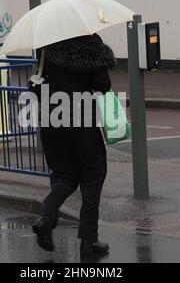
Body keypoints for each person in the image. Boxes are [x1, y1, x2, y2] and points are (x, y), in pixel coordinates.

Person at [31, 34, 116, 256]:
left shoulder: (47, 45)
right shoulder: (92, 43)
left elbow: (37, 83)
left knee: (63, 176)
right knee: (93, 176)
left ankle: (46, 218)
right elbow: (103, 85)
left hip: (51, 122)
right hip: (82, 122)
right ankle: (89, 242)